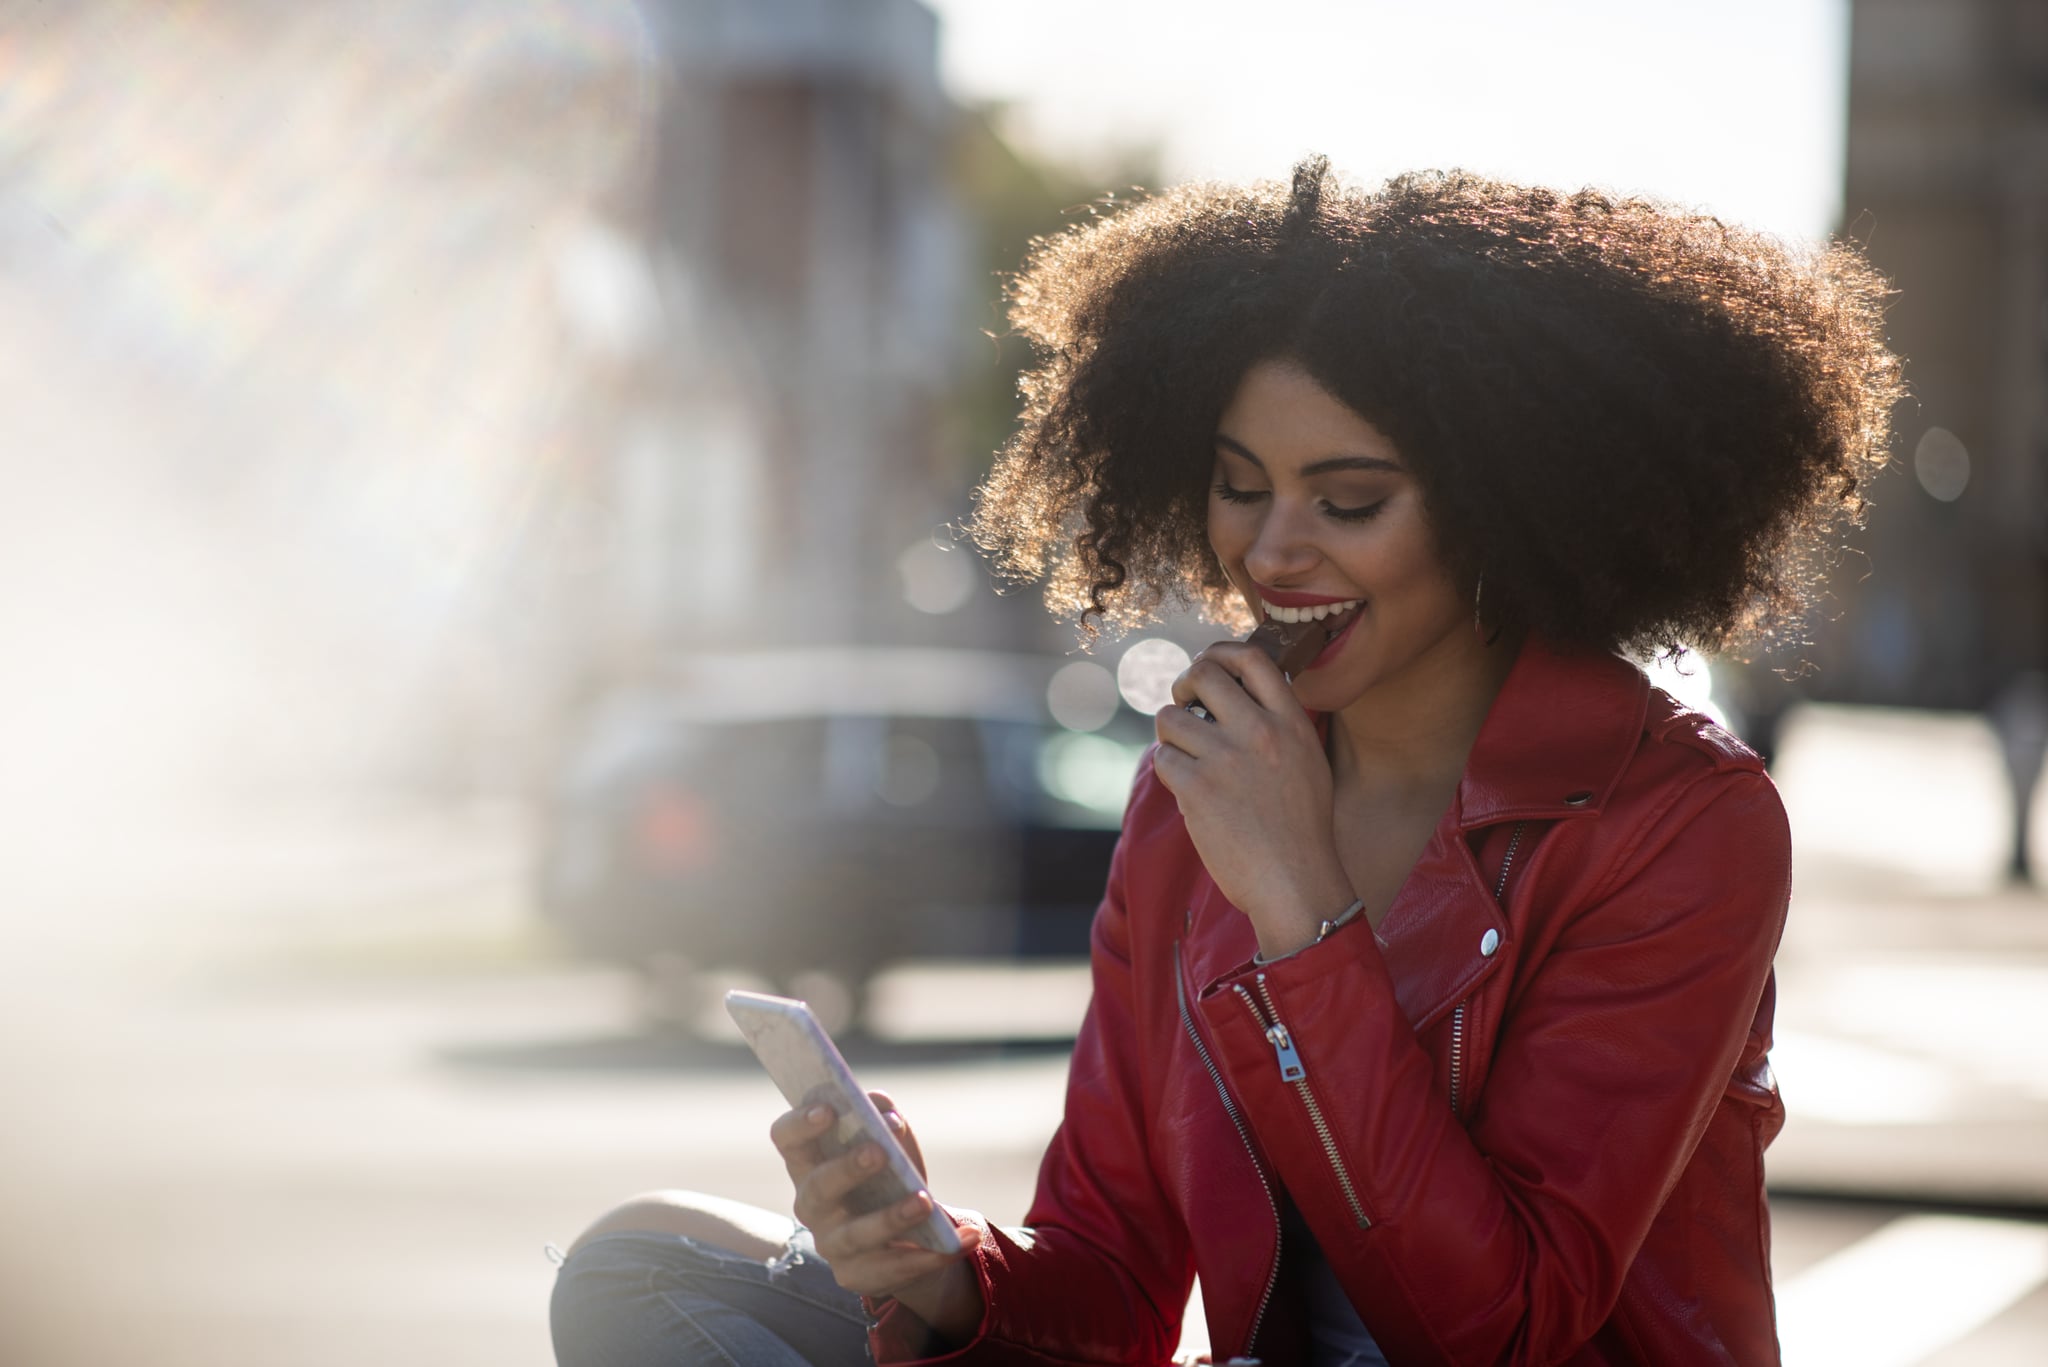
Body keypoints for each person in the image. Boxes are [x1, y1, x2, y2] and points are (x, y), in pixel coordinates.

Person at [550, 158, 1900, 1366]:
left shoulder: (1679, 820)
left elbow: (1499, 1328)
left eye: (1349, 501)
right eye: (1240, 484)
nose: (1270, 550)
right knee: (642, 1262)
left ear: (1506, 507)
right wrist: (939, 1270)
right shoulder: (1191, 791)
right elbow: (1115, 1279)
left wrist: (1302, 911)